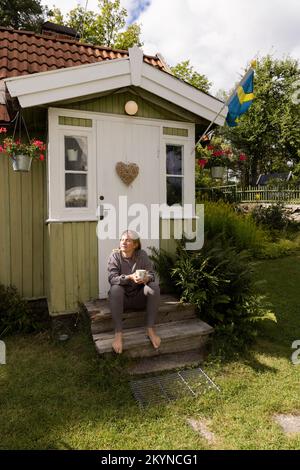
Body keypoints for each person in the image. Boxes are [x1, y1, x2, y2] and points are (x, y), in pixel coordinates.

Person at [107, 230, 161, 354]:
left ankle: (150, 329)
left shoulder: (142, 255)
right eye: (122, 240)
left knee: (154, 286)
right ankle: (118, 334)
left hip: (138, 297)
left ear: (135, 244)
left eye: (128, 240)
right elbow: (112, 279)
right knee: (115, 289)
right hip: (122, 300)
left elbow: (152, 275)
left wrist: (146, 278)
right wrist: (129, 277)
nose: (123, 242)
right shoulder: (115, 256)